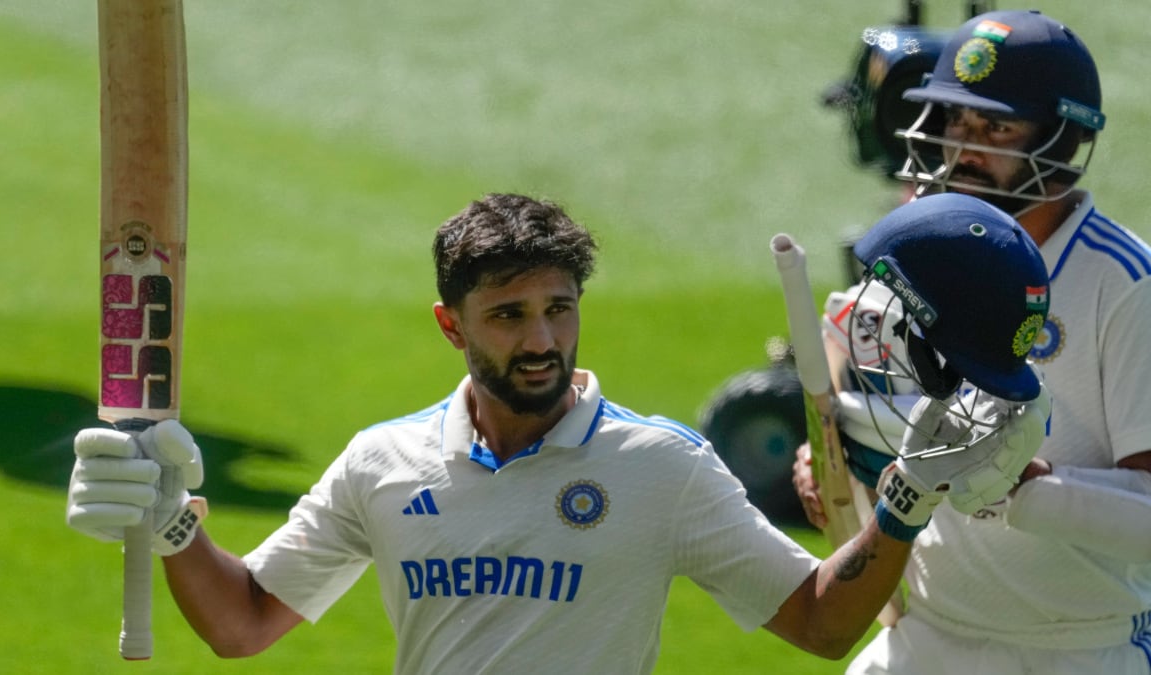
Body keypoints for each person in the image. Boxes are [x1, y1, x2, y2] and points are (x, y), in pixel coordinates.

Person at [67, 192, 1043, 672]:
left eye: (559, 308)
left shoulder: (660, 467)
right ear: (451, 324)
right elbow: (242, 621)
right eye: (508, 316)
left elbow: (826, 624)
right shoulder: (385, 462)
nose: (541, 341)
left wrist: (907, 501)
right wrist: (174, 527)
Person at [793, 9, 1151, 674]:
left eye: (996, 126)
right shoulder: (927, 239)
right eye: (956, 122)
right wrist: (830, 455)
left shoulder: (1127, 283)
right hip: (928, 631)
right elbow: (844, 332)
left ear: (1063, 136)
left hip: (1078, 646)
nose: (965, 146)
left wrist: (1022, 486)